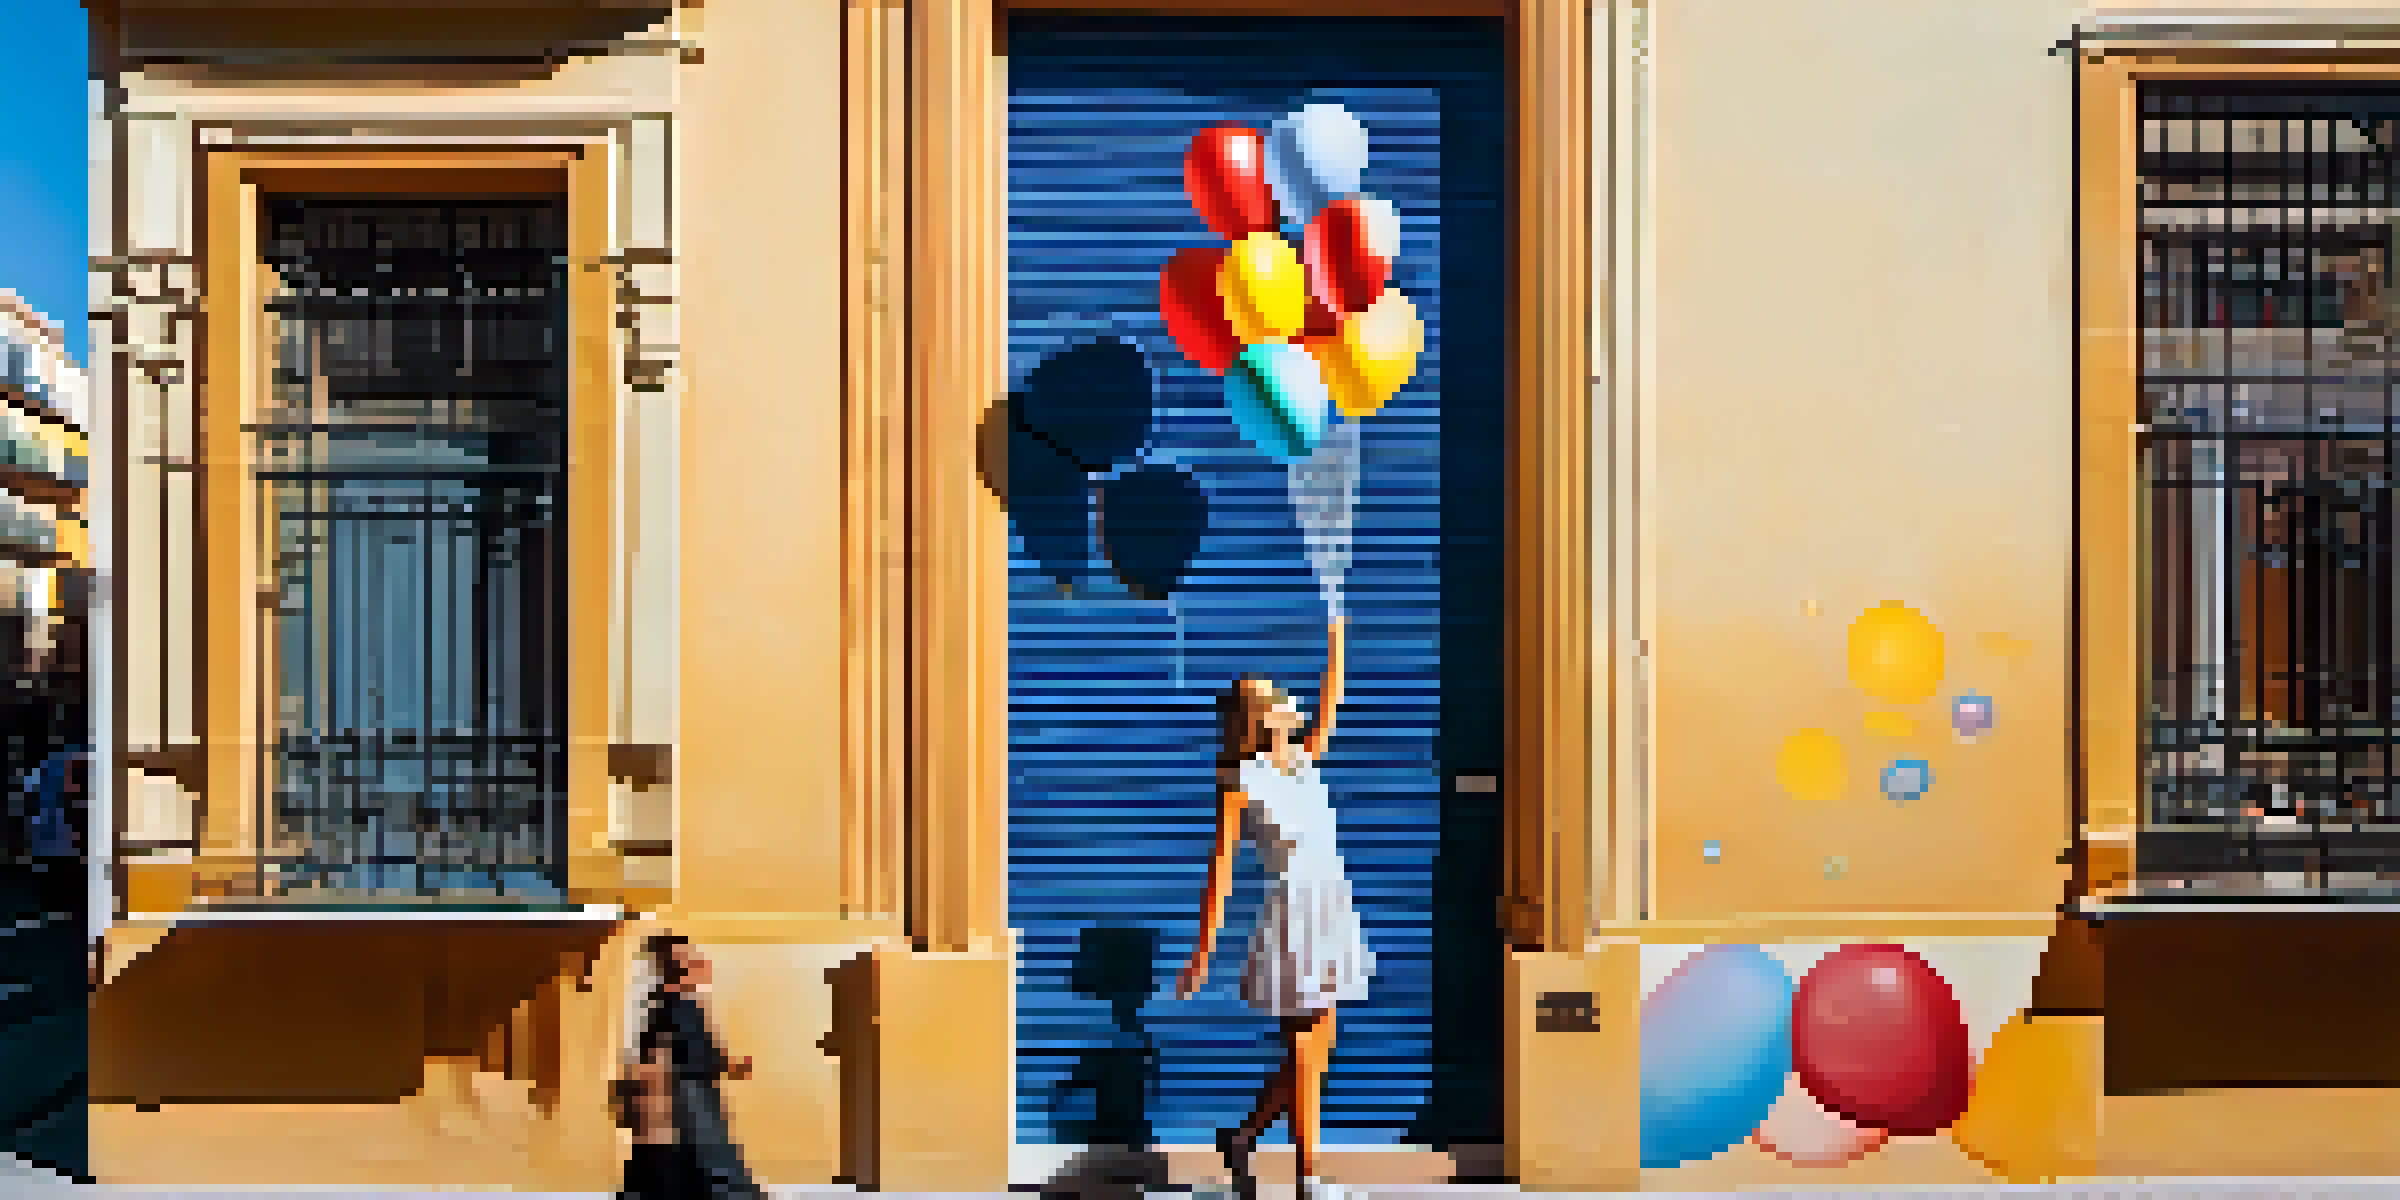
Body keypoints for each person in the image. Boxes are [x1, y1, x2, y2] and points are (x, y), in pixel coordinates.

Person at [1176, 615, 1373, 1200]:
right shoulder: (1241, 781)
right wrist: (1201, 955)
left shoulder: (1304, 761)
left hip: (1332, 908)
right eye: (1281, 700)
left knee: (1317, 1047)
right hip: (1297, 917)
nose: (1294, 704)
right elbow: (1221, 875)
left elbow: (1329, 710)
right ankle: (1308, 1177)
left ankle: (1244, 1137)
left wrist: (1337, 642)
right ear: (1263, 721)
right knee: (1305, 1049)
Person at [617, 934, 763, 1200]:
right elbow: (685, 1057)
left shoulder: (668, 1003)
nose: (702, 963)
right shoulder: (675, 1005)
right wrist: (728, 1065)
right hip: (686, 1098)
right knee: (703, 1161)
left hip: (686, 1096)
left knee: (691, 1161)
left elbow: (686, 1052)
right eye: (691, 958)